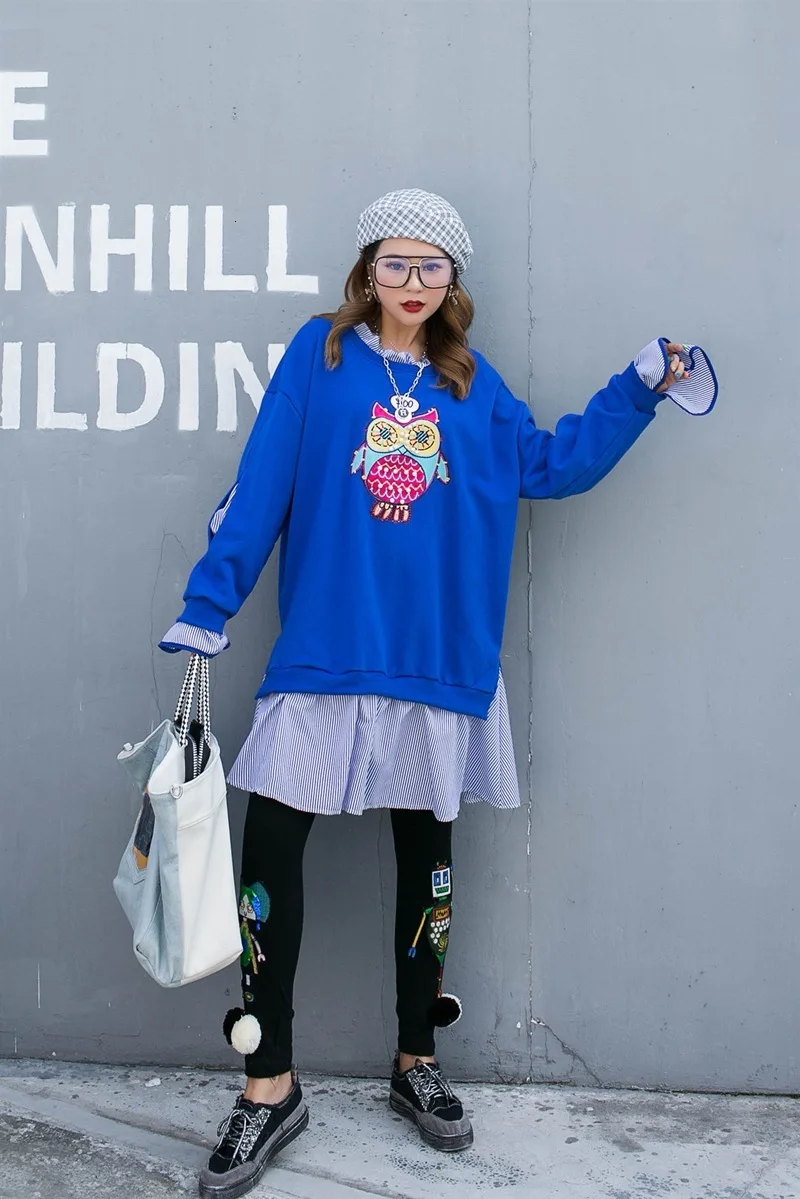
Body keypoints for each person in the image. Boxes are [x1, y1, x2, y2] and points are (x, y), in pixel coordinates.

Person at [159, 188, 716, 1199]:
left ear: (452, 279)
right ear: (366, 269)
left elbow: (552, 464)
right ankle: (267, 1080)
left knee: (428, 862)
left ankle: (416, 1057)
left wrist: (636, 388)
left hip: (437, 662)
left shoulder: (472, 385)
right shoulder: (321, 356)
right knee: (270, 851)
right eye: (394, 263)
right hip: (328, 652)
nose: (411, 283)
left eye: (431, 266)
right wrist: (209, 604)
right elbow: (261, 480)